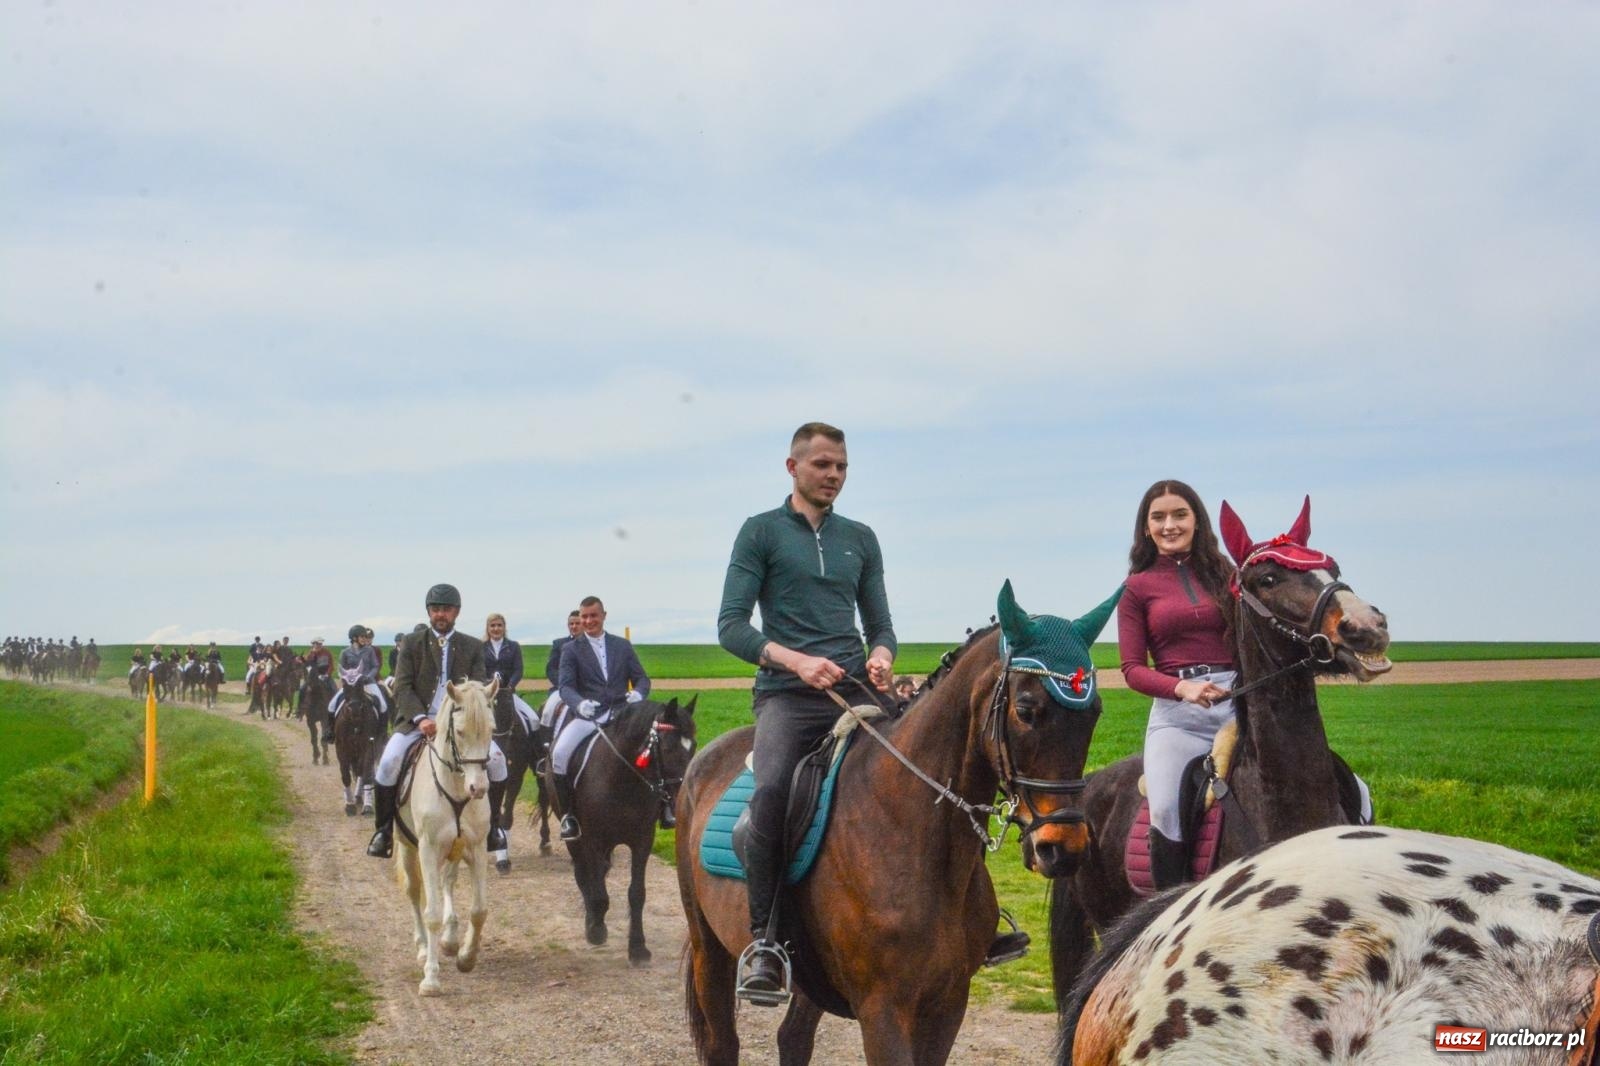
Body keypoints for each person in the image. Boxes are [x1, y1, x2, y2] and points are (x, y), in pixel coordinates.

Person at [716, 421, 897, 1003]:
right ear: (792, 467)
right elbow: (731, 626)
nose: (834, 475)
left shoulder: (860, 538)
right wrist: (795, 662)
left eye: (841, 466)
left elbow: (880, 623)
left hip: (854, 686)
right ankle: (765, 942)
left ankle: (965, 917)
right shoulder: (761, 532)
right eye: (822, 465)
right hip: (787, 695)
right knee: (771, 791)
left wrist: (882, 655)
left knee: (927, 766)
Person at [1117, 479, 1240, 891]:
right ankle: (1170, 907)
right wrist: (1182, 689)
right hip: (1178, 718)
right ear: (1146, 527)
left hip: (1239, 705)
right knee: (1166, 807)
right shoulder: (1136, 588)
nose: (1169, 525)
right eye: (1159, 517)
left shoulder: (1228, 575)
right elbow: (1132, 669)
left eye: (1179, 514)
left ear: (1197, 520)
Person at [366, 584, 509, 859]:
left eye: (446, 609)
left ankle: (493, 828)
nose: (440, 614)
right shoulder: (412, 643)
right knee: (389, 761)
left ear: (456, 612)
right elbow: (403, 687)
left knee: (498, 760)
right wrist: (420, 719)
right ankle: (383, 831)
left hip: (461, 726)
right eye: (435, 609)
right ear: (429, 612)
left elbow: (477, 689)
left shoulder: (472, 646)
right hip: (417, 723)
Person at [550, 596, 652, 840]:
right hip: (589, 715)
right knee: (559, 753)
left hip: (622, 714)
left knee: (655, 747)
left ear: (604, 616)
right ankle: (568, 816)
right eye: (584, 617)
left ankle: (664, 807)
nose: (588, 621)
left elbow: (642, 678)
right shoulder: (570, 649)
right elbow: (565, 687)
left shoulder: (622, 646)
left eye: (593, 616)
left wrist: (638, 694)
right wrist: (579, 703)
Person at [330, 627, 386, 722]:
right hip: (351, 686)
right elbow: (341, 670)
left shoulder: (369, 650)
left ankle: (382, 730)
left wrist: (368, 677)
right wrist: (345, 678)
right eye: (362, 637)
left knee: (383, 706)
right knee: (331, 706)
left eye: (366, 637)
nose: (365, 639)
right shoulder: (345, 652)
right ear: (354, 638)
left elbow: (375, 666)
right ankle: (330, 729)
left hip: (368, 683)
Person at [544, 610, 581, 687]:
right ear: (568, 626)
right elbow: (551, 669)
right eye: (571, 624)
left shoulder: (592, 644)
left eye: (578, 623)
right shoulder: (559, 644)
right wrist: (563, 685)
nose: (574, 626)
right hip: (563, 687)